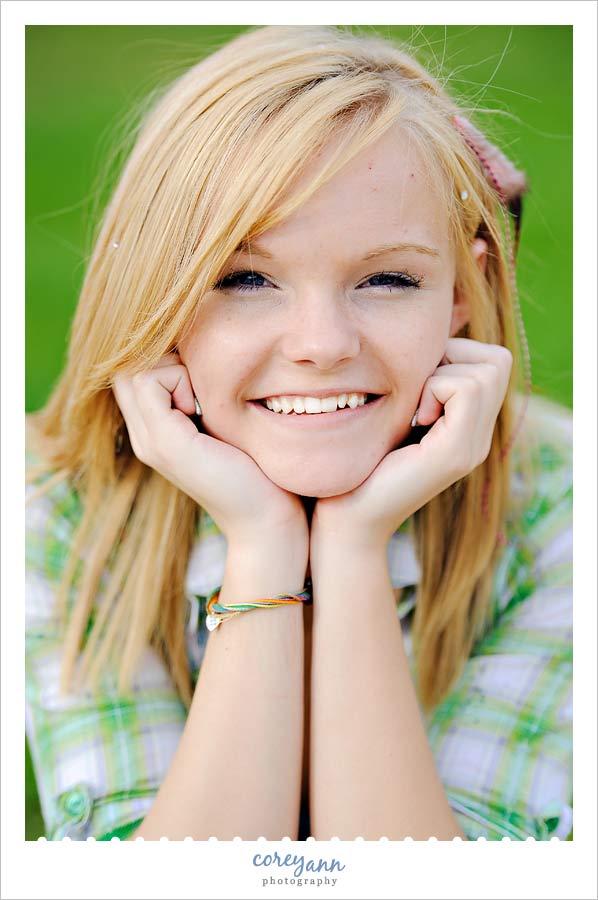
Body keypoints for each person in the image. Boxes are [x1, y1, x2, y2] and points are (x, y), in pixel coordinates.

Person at [25, 24, 572, 842]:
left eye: (388, 278)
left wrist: (352, 550)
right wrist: (263, 539)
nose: (321, 343)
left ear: (463, 291)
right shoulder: (60, 511)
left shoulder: (561, 504)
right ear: (156, 298)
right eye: (245, 278)